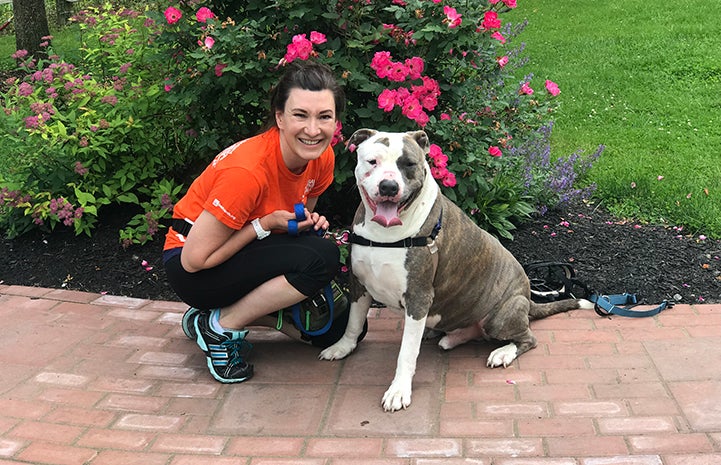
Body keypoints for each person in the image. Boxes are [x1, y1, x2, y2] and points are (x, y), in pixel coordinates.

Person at [163, 60, 358, 384]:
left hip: (245, 249)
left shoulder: (321, 156)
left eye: (324, 117)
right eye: (300, 115)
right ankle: (219, 327)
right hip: (192, 267)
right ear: (280, 117)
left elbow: (297, 218)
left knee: (340, 330)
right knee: (320, 258)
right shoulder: (246, 173)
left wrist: (310, 223)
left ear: (335, 121)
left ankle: (216, 318)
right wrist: (264, 225)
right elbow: (194, 261)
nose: (313, 130)